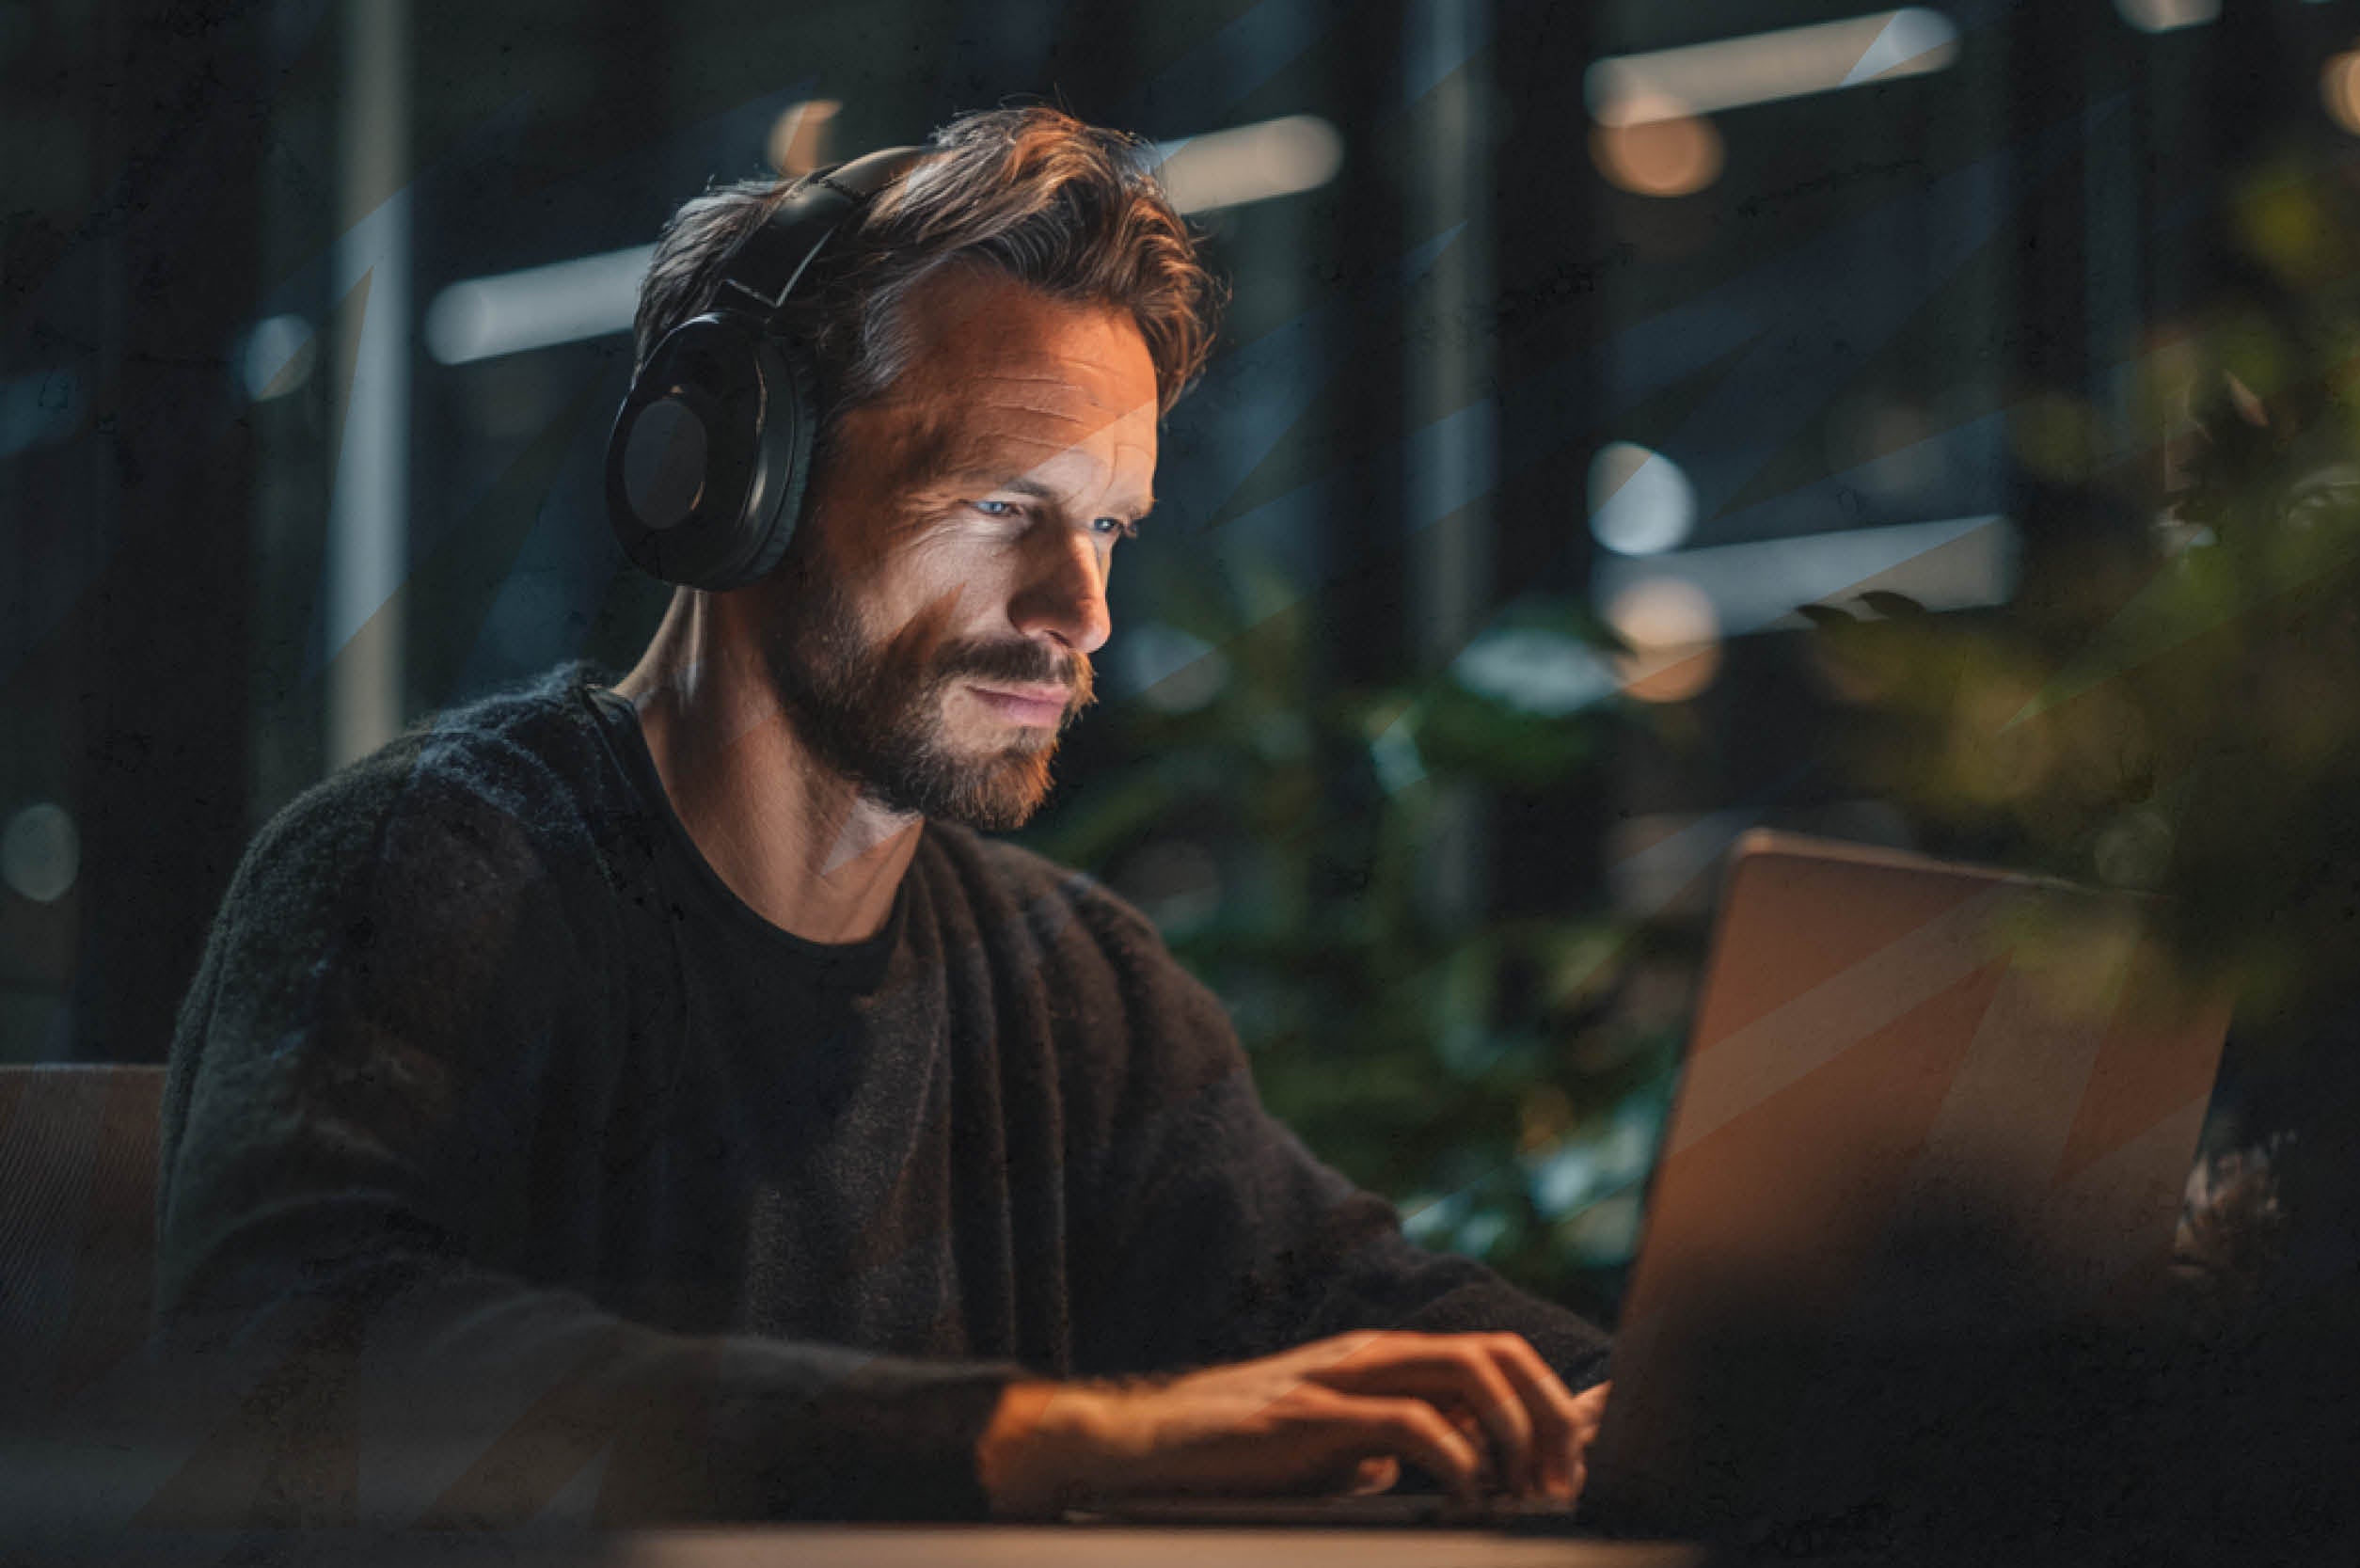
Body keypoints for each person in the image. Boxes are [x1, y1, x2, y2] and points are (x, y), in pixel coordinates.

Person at [154, 103, 1609, 1528]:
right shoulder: (432, 864)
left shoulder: (1071, 986)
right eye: (997, 506)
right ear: (733, 482)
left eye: (1107, 525)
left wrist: (1662, 1412)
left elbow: (1369, 1308)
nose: (1082, 613)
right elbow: (298, 1356)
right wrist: (1042, 1439)